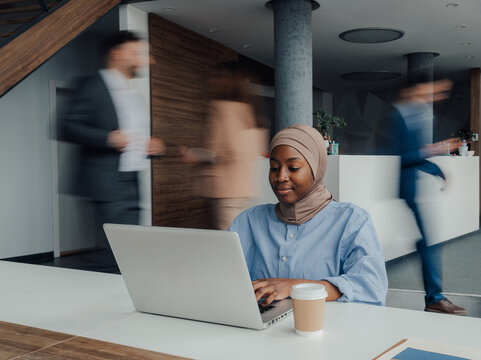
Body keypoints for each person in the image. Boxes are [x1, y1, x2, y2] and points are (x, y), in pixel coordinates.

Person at [229, 124, 388, 306]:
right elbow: (221, 277)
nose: (280, 177)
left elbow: (372, 288)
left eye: (294, 168)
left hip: (327, 328)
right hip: (259, 329)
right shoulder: (249, 220)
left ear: (316, 168)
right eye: (274, 167)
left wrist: (296, 287)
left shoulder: (352, 221)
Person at [63, 31, 165, 237]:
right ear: (116, 54)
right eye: (136, 53)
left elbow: (134, 139)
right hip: (107, 182)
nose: (146, 60)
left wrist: (152, 148)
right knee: (120, 250)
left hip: (133, 181)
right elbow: (67, 126)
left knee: (128, 246)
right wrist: (108, 138)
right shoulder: (91, 85)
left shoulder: (134, 94)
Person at [388, 77, 466, 315]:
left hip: (419, 189)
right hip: (411, 191)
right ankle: (434, 298)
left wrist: (438, 170)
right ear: (412, 89)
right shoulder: (399, 114)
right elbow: (404, 156)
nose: (436, 94)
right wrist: (438, 148)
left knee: (427, 243)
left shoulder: (420, 114)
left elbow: (417, 158)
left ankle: (434, 293)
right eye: (431, 89)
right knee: (430, 244)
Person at [179, 62, 267, 230]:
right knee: (241, 241)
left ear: (228, 81)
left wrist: (195, 155)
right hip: (245, 188)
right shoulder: (250, 110)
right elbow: (251, 150)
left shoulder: (223, 108)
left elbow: (228, 151)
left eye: (217, 76)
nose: (211, 80)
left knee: (229, 244)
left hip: (226, 191)